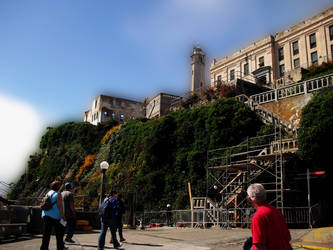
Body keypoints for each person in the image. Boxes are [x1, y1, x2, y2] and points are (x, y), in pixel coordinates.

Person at [247, 183, 292, 250]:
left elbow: (259, 245)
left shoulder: (258, 216)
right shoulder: (277, 212)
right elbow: (288, 237)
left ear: (250, 199)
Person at [40, 180, 68, 250]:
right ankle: (60, 247)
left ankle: (44, 248)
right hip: (55, 216)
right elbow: (60, 206)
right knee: (59, 234)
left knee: (46, 234)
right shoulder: (58, 194)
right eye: (59, 185)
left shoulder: (48, 193)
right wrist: (63, 216)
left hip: (46, 215)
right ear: (58, 187)